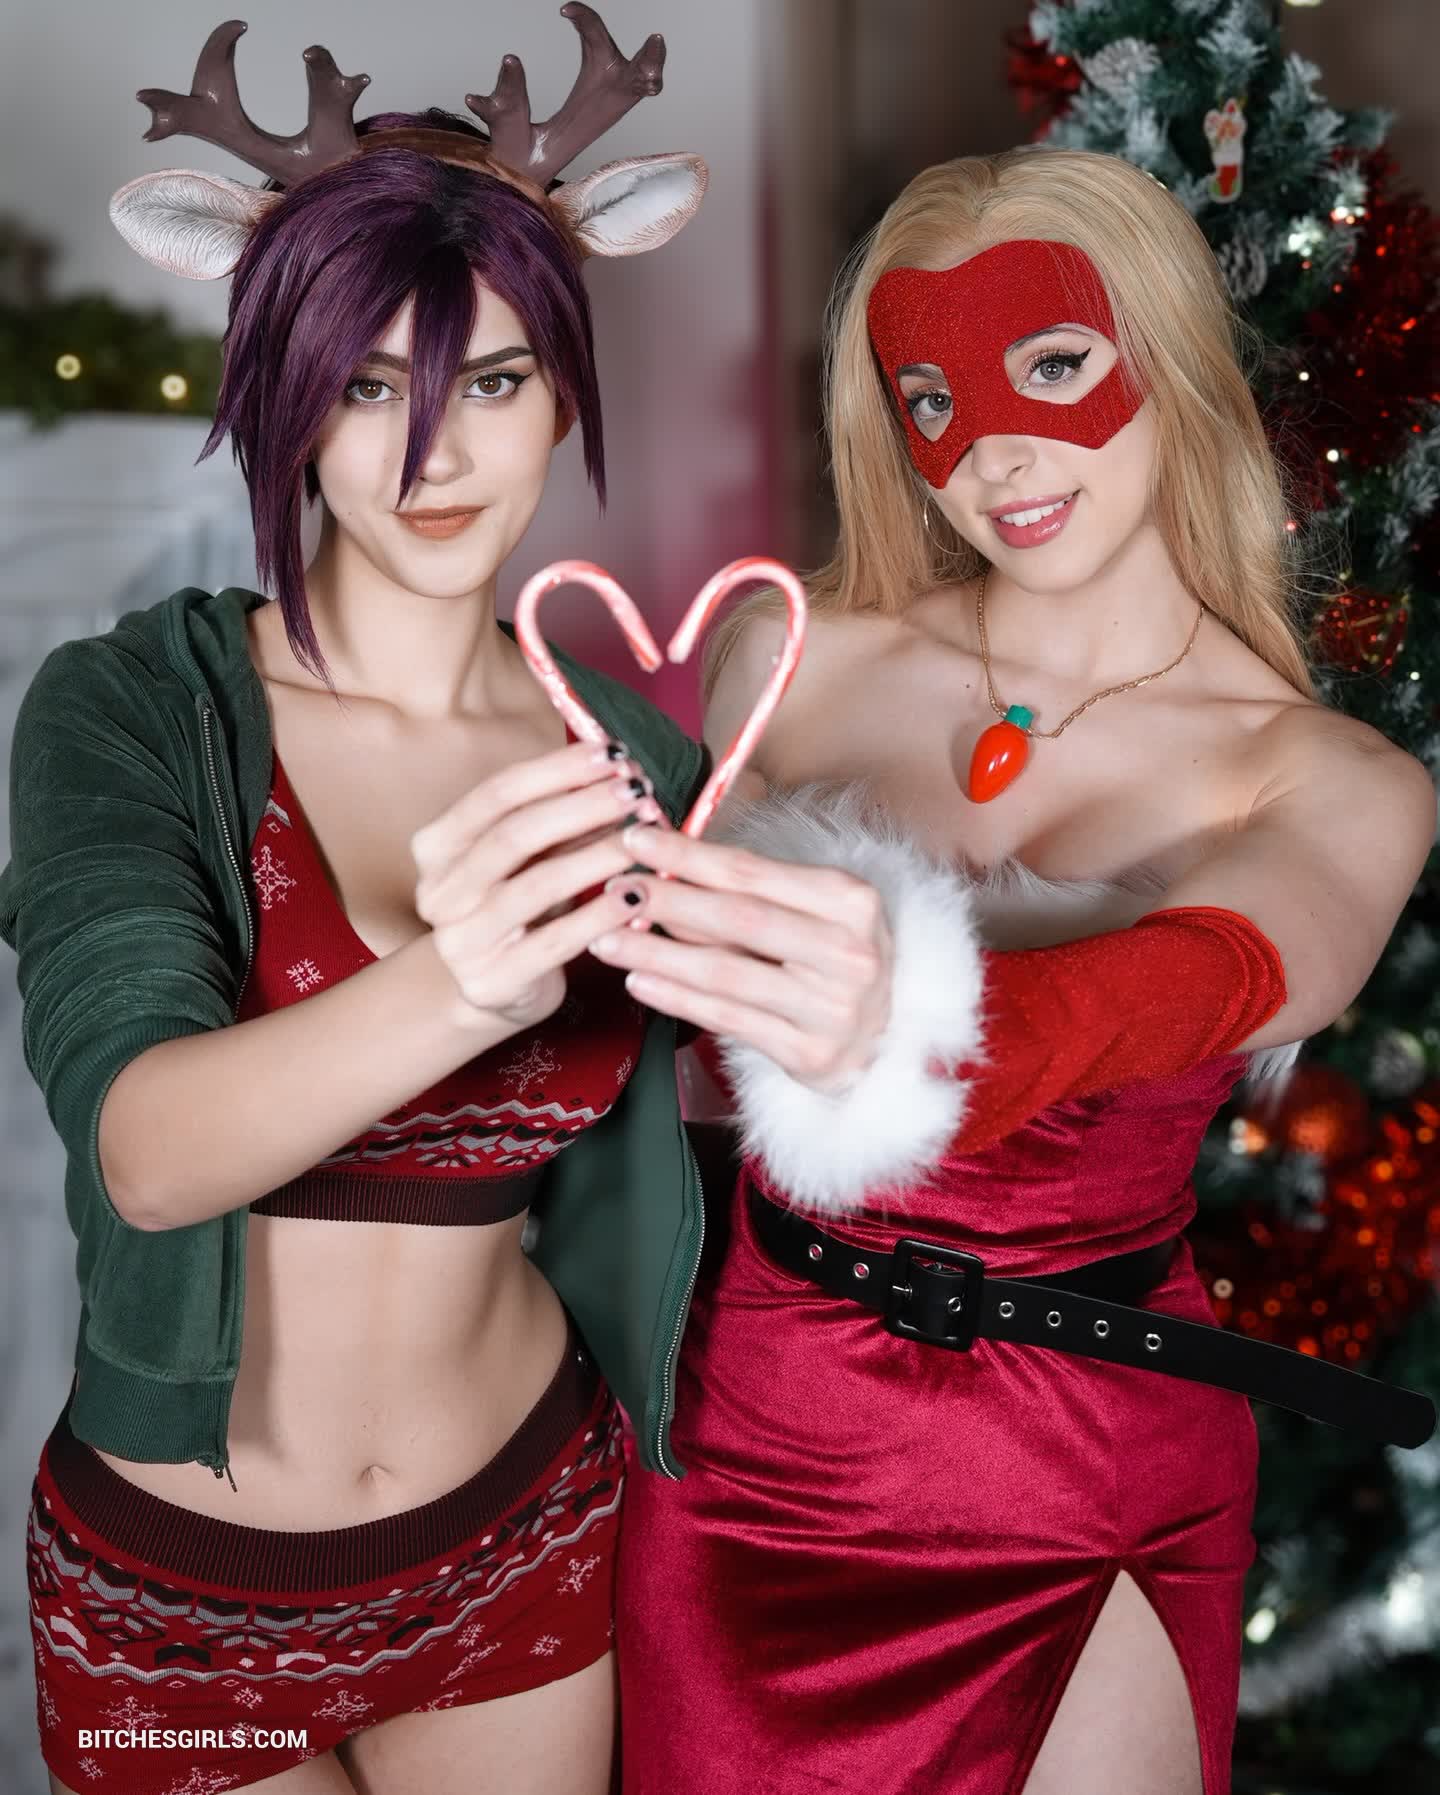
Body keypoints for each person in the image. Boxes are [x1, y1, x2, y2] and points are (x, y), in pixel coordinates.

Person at [595, 147, 1437, 1794]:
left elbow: (1226, 974)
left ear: (1168, 360)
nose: (993, 454)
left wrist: (910, 1028)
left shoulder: (1328, 778)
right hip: (760, 1435)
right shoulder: (792, 659)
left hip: (1090, 1458)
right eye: (932, 398)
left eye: (1052, 367)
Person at [3, 12, 711, 1793]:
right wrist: (462, 978)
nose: (431, 456)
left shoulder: (630, 756)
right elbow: (148, 1152)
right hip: (182, 1599)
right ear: (283, 394)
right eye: (371, 386)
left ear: (564, 389)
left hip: (526, 1539)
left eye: (494, 382)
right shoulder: (132, 710)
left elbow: (697, 1157)